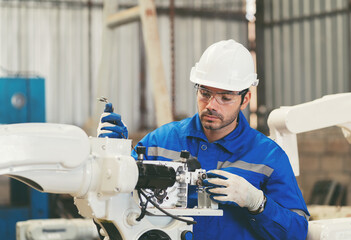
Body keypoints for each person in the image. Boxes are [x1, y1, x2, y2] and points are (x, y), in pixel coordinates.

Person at [97, 39, 309, 239]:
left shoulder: (268, 157)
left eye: (225, 98)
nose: (211, 105)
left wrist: (257, 203)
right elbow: (111, 201)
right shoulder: (160, 142)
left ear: (245, 99)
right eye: (205, 93)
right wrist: (115, 155)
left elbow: (297, 232)